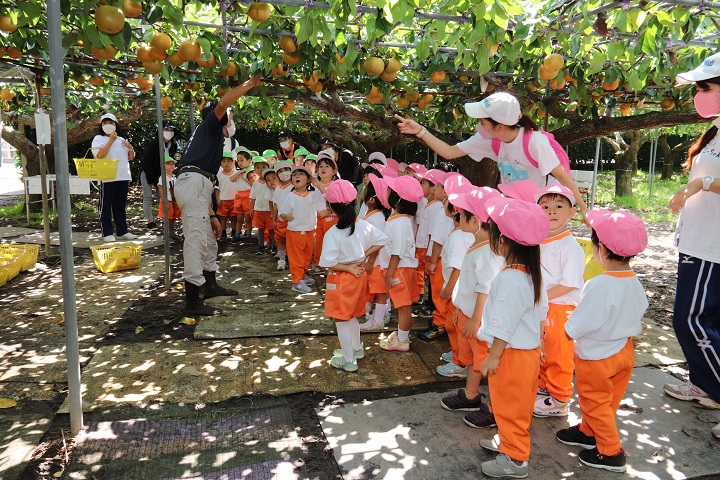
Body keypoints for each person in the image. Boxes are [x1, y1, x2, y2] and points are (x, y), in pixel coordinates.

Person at [394, 92, 589, 219]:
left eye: (483, 122)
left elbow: (563, 176)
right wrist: (420, 131)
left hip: (536, 214)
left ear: (500, 126)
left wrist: (584, 209)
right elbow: (449, 152)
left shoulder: (534, 142)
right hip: (510, 211)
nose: (478, 126)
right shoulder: (489, 138)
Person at [556, 209, 648, 472]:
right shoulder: (634, 281)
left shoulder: (599, 284)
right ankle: (588, 432)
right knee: (608, 402)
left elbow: (582, 322)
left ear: (600, 249)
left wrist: (568, 329)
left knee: (595, 403)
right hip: (624, 350)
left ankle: (611, 452)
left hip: (597, 356)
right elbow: (640, 308)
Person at [476, 196, 549, 479]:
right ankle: (507, 443)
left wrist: (493, 356)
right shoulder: (533, 274)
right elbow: (541, 313)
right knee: (518, 405)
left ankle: (516, 460)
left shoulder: (510, 277)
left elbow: (503, 324)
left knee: (509, 408)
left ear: (503, 242)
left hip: (509, 355)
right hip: (527, 354)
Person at [665, 54, 720, 424]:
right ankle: (704, 382)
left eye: (706, 87)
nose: (699, 94)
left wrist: (698, 184)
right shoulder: (716, 129)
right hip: (698, 240)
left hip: (711, 246)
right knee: (708, 319)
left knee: (691, 318)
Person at [174, 76, 260, 316]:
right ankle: (192, 300)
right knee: (196, 240)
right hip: (193, 183)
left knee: (209, 239)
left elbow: (204, 179)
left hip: (198, 184)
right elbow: (222, 104)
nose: (231, 119)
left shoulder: (210, 136)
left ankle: (209, 285)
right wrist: (249, 84)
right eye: (229, 115)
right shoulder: (211, 125)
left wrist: (211, 214)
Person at [440, 186, 504, 429]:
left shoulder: (488, 251)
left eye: (461, 212)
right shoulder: (476, 243)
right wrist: (459, 307)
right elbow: (469, 284)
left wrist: (475, 319)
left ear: (476, 220)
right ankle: (470, 396)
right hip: (468, 313)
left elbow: (485, 289)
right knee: (472, 360)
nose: (457, 215)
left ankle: (489, 404)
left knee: (481, 360)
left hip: (479, 318)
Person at [320, 180, 389, 372]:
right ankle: (356, 349)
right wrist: (363, 256)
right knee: (352, 317)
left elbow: (327, 262)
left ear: (331, 207)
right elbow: (383, 239)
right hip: (359, 276)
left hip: (342, 278)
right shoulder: (363, 225)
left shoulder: (333, 232)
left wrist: (348, 268)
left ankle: (349, 360)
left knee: (341, 318)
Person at [533, 184, 586, 418]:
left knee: (559, 355)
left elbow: (570, 283)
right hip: (545, 306)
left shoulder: (569, 246)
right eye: (545, 206)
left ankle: (560, 399)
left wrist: (539, 297)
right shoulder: (540, 240)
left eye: (558, 206)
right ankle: (545, 389)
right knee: (544, 351)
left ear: (572, 212)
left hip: (560, 307)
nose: (551, 211)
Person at [435, 174, 476, 378]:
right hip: (461, 291)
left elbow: (457, 268)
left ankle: (459, 362)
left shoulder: (460, 236)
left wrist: (448, 290)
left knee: (455, 326)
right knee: (454, 326)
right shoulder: (461, 234)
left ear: (454, 210)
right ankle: (458, 353)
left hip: (457, 291)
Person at [377, 175, 423, 352]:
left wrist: (389, 274)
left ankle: (402, 340)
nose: (387, 192)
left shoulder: (401, 222)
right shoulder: (399, 220)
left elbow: (397, 251)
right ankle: (401, 334)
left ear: (398, 200)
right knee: (403, 305)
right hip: (400, 269)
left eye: (390, 191)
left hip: (399, 270)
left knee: (403, 307)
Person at [91, 112, 137, 243]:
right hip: (107, 177)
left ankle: (122, 231)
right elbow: (100, 155)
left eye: (110, 122)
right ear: (101, 125)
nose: (108, 125)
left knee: (120, 205)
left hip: (122, 176)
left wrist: (130, 147)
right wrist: (111, 140)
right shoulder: (98, 139)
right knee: (105, 205)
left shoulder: (121, 139)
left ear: (116, 124)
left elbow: (131, 157)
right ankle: (107, 232)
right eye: (105, 123)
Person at [278, 165, 320, 293]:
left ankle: (302, 275)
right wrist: (286, 216)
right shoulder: (290, 196)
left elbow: (325, 196)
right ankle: (296, 281)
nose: (297, 176)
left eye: (301, 174)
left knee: (307, 256)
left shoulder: (313, 194)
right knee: (296, 257)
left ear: (308, 180)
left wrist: (318, 184)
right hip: (295, 231)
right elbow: (282, 212)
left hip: (310, 230)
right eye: (294, 174)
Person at [359, 173, 392, 331]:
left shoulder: (377, 217)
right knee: (375, 291)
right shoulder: (371, 215)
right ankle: (375, 317)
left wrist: (371, 261)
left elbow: (378, 242)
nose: (362, 191)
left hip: (377, 262)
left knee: (380, 292)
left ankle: (378, 320)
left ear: (371, 199)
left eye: (365, 189)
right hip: (373, 261)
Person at [141, 119, 178, 229]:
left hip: (163, 174)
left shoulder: (173, 146)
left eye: (171, 130)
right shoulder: (154, 144)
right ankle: (150, 221)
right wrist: (150, 179)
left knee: (164, 197)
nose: (169, 132)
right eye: (166, 129)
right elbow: (148, 162)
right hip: (149, 172)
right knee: (148, 197)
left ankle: (164, 220)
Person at [215, 151, 241, 241]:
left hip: (235, 200)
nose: (226, 163)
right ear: (221, 163)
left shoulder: (237, 173)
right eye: (224, 161)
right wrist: (218, 198)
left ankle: (234, 233)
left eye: (228, 161)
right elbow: (217, 188)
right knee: (223, 218)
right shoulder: (218, 175)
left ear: (233, 162)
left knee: (234, 218)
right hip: (223, 200)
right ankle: (223, 233)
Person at [249, 156, 273, 254]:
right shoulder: (255, 183)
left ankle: (274, 246)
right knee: (260, 229)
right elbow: (253, 196)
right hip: (258, 209)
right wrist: (251, 208)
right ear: (255, 170)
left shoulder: (271, 182)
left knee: (271, 229)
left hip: (269, 210)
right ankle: (260, 246)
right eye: (258, 167)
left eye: (263, 167)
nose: (261, 169)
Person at [157, 156, 181, 240]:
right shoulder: (163, 177)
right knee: (167, 218)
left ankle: (172, 233)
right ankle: (166, 235)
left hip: (174, 201)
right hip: (168, 200)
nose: (171, 166)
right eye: (168, 164)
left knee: (173, 218)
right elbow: (161, 189)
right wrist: (164, 201)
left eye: (173, 164)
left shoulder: (175, 177)